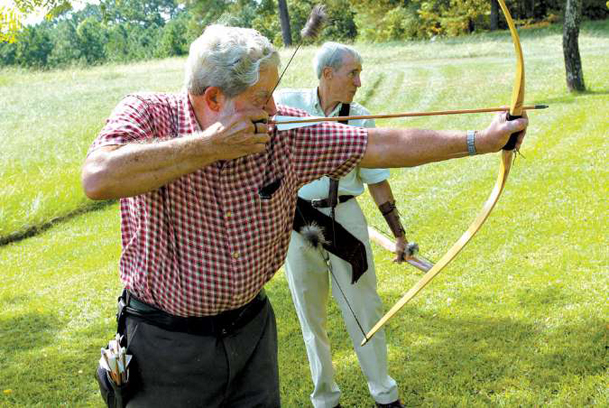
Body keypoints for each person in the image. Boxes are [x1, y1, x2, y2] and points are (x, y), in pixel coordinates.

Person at [81, 24, 528, 408]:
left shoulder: (282, 133)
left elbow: (378, 145)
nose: (274, 110)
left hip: (251, 332)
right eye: (261, 98)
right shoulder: (147, 113)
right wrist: (209, 147)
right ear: (214, 98)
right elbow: (99, 177)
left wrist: (480, 141)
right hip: (165, 342)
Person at [276, 42, 407, 408]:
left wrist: (398, 233)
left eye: (360, 73)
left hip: (346, 217)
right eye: (353, 73)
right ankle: (325, 398)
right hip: (299, 220)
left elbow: (377, 177)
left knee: (366, 309)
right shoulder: (286, 105)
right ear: (328, 74)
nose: (359, 81)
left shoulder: (359, 116)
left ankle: (384, 394)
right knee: (310, 316)